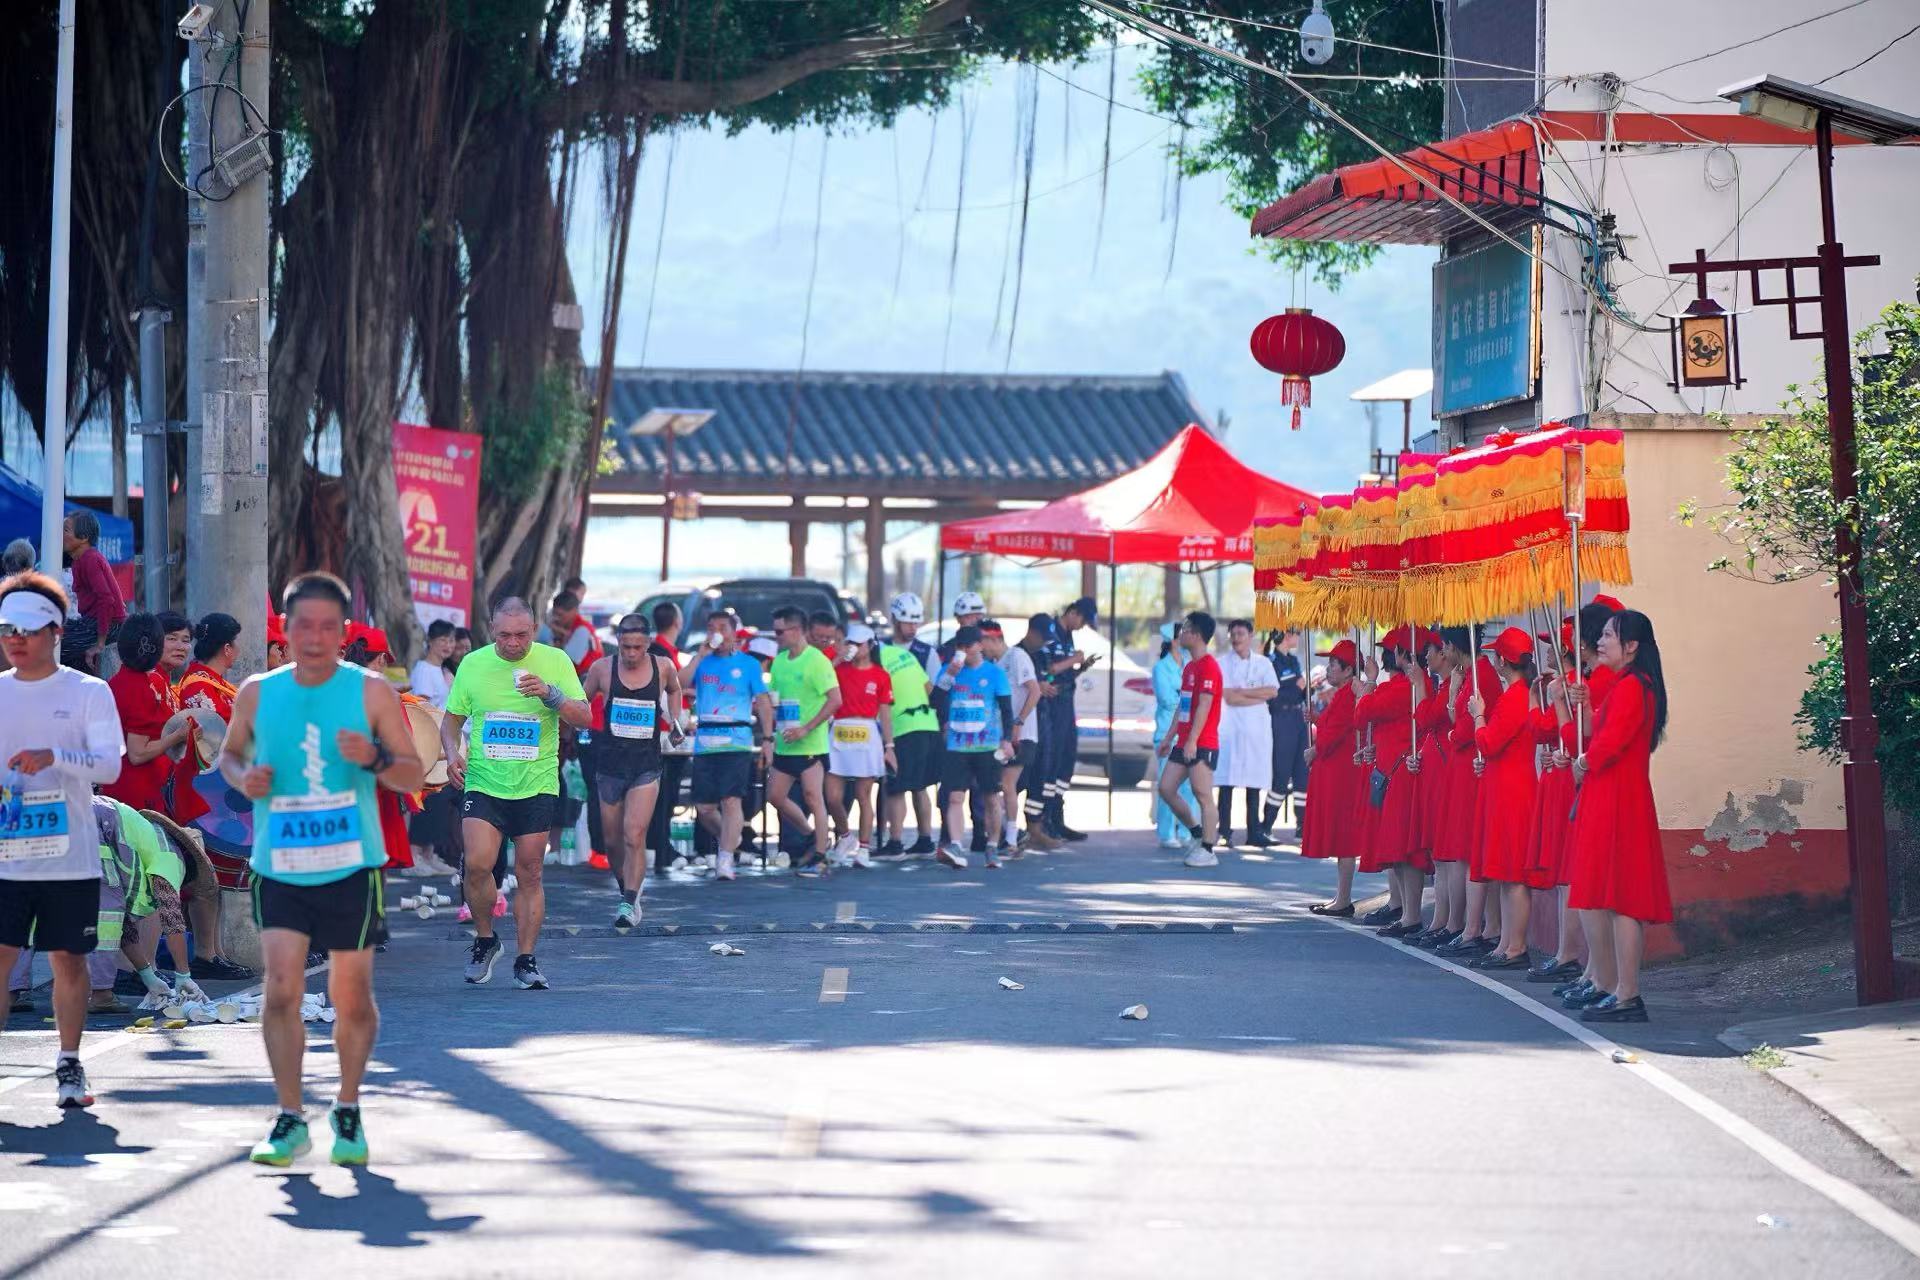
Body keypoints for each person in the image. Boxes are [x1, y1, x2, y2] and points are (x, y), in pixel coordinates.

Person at [221, 572, 425, 1166]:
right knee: (282, 986)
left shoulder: (372, 693)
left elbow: (414, 775)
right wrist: (244, 777)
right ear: (284, 629)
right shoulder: (258, 691)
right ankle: (289, 1117)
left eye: (327, 627)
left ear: (343, 632)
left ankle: (348, 1106)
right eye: (303, 626)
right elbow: (229, 757)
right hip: (280, 863)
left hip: (351, 865)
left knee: (350, 995)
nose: (315, 638)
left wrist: (377, 758)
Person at [0, 573, 125, 1109]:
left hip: (69, 859)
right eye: (7, 627)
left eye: (27, 628)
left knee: (68, 963)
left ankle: (70, 1063)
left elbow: (110, 767)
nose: (15, 638)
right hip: (7, 858)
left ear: (56, 630)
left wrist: (55, 757)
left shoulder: (88, 692)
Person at [441, 596, 591, 990]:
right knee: (477, 864)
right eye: (504, 635)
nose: (512, 643)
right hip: (484, 780)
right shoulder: (473, 664)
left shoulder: (555, 661)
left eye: (521, 635)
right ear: (492, 629)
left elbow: (585, 717)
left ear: (535, 628)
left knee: (530, 871)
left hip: (535, 783)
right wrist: (452, 754)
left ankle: (526, 959)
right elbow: (450, 722)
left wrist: (551, 694)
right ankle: (486, 939)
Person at [1564, 609, 1670, 1023]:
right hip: (1614, 796)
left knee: (1623, 898)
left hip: (1618, 799)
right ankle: (1617, 989)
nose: (1600, 641)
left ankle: (1627, 993)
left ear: (1631, 646)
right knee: (1611, 897)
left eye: (1609, 635)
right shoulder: (1629, 685)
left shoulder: (1632, 687)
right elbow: (1602, 732)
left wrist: (1582, 762)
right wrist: (1587, 704)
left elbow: (1608, 746)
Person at [580, 614, 679, 925]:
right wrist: (570, 725)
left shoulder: (663, 667)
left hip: (646, 765)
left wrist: (675, 720)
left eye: (637, 647)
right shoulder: (602, 669)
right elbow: (580, 703)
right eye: (626, 647)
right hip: (610, 764)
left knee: (634, 834)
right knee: (612, 841)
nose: (632, 653)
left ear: (648, 643)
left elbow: (675, 690)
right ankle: (627, 890)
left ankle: (629, 900)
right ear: (618, 643)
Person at [1464, 626, 1540, 971]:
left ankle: (1515, 946)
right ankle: (1507, 944)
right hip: (1509, 786)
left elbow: (1489, 742)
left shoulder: (1514, 697)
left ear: (1502, 661)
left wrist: (1478, 715)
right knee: (1508, 876)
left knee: (1514, 875)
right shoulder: (1520, 695)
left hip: (1512, 792)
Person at [1356, 629, 1432, 938]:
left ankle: (1411, 915)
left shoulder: (1403, 688)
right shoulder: (1411, 686)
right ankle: (1405, 912)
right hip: (1393, 770)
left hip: (1401, 772)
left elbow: (1361, 713)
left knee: (1405, 850)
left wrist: (1369, 682)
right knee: (1397, 849)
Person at [686, 613, 773, 879]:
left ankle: (725, 858)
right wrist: (698, 656)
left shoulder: (748, 664)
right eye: (711, 627)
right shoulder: (702, 661)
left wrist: (768, 739)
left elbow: (763, 701)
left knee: (731, 799)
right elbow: (677, 683)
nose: (717, 633)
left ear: (734, 633)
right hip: (705, 741)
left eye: (723, 628)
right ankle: (732, 840)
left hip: (737, 739)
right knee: (704, 808)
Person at [1434, 630, 1500, 958]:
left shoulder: (1481, 675)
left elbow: (1462, 731)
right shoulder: (1469, 674)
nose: (1444, 652)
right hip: (1461, 765)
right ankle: (1475, 926)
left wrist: (1453, 729)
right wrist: (1453, 694)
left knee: (1469, 849)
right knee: (1463, 848)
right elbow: (1455, 721)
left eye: (1445, 645)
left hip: (1471, 764)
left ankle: (1475, 927)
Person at [767, 605, 840, 872]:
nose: (776, 637)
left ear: (796, 630)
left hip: (810, 744)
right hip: (785, 742)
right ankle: (812, 835)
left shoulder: (817, 661)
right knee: (775, 796)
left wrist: (806, 728)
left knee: (813, 797)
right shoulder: (779, 661)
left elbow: (835, 700)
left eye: (780, 632)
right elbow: (775, 697)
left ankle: (820, 856)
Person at [933, 625, 1013, 869]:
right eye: (960, 646)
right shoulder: (948, 670)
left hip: (987, 745)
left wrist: (1007, 739)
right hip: (957, 745)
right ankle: (956, 845)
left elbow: (1006, 709)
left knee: (991, 797)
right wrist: (949, 675)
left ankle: (992, 846)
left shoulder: (994, 673)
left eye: (968, 646)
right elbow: (934, 702)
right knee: (955, 796)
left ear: (979, 646)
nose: (964, 651)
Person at [101, 614, 188, 815]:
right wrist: (177, 736)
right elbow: (138, 753)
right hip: (139, 793)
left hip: (120, 783)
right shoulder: (141, 688)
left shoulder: (118, 681)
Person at [1300, 639, 1363, 915]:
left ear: (1348, 670)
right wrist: (1316, 718)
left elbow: (1336, 733)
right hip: (1336, 772)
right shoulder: (1342, 694)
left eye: (1334, 664)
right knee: (1341, 838)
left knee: (1344, 837)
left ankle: (1344, 898)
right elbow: (1332, 726)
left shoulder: (1349, 695)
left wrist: (1314, 750)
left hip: (1342, 774)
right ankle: (1341, 896)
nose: (1328, 669)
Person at [1156, 611, 1223, 868]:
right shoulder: (1190, 667)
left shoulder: (1209, 666)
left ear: (1196, 635)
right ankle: (1197, 832)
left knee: (1202, 794)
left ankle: (1208, 849)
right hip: (1183, 740)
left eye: (1184, 630)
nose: (1181, 634)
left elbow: (1205, 706)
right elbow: (1183, 707)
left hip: (1202, 742)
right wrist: (1169, 738)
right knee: (1166, 788)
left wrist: (1193, 740)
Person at [877, 592, 940, 857]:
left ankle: (902, 841)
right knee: (902, 785)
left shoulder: (926, 652)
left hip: (907, 725)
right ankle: (913, 840)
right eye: (907, 622)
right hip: (894, 725)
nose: (913, 628)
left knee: (905, 786)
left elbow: (934, 690)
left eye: (916, 622)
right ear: (894, 620)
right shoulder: (879, 648)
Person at [826, 623, 893, 866]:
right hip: (839, 732)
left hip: (867, 733)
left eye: (859, 644)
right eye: (850, 643)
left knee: (863, 794)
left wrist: (889, 746)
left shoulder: (881, 675)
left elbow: (885, 713)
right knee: (832, 796)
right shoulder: (837, 669)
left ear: (870, 645)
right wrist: (837, 659)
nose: (854, 647)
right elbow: (821, 680)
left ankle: (864, 847)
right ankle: (845, 836)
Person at [1214, 619, 1279, 847]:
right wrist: (1256, 695)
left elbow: (1272, 691)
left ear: (1251, 635)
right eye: (1232, 634)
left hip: (1255, 730)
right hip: (1231, 729)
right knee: (1227, 783)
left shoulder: (1263, 663)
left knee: (1254, 782)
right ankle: (1224, 831)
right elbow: (1229, 697)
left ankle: (1254, 832)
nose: (1236, 638)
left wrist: (1242, 692)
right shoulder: (1222, 663)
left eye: (1240, 633)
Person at [984, 620, 1046, 853]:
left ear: (993, 639)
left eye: (982, 642)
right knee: (995, 786)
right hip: (1000, 736)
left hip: (1022, 735)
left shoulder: (1017, 657)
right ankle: (1008, 834)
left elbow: (1035, 690)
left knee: (1008, 783)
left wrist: (1019, 721)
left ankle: (1010, 837)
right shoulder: (992, 665)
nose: (980, 648)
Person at [1043, 598, 1097, 842]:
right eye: (1083, 620)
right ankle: (1044, 819)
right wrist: (1073, 659)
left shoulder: (1068, 636)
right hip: (1052, 705)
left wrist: (1081, 667)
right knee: (1052, 760)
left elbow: (1064, 672)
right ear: (1073, 612)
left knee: (1067, 757)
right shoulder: (1050, 632)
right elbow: (1050, 670)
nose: (1082, 626)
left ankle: (1057, 817)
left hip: (1066, 702)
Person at [644, 601, 690, 878]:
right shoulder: (661, 654)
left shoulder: (665, 651)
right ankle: (660, 848)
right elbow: (669, 689)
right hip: (662, 734)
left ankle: (659, 847)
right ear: (677, 622)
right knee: (663, 796)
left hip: (666, 730)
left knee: (665, 796)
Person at [1261, 629, 1310, 843]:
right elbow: (1274, 696)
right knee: (1281, 776)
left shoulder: (1293, 660)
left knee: (1302, 774)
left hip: (1298, 719)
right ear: (1286, 635)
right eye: (1296, 633)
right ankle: (1266, 825)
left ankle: (1302, 826)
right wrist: (1297, 687)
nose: (1298, 637)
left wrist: (1306, 688)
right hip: (1281, 720)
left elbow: (1301, 692)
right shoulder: (1271, 662)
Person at [62, 511, 126, 675]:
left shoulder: (90, 559)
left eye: (66, 530)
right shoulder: (79, 560)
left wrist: (100, 643)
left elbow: (106, 599)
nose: (60, 535)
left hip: (108, 626)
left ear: (84, 537)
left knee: (53, 644)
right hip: (92, 623)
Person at [1150, 624, 1194, 850]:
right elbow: (1167, 700)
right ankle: (1166, 833)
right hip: (1167, 733)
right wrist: (1187, 698)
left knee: (1189, 788)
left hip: (1187, 734)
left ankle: (1187, 831)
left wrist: (1183, 696)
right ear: (1174, 640)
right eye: (1183, 634)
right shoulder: (1160, 668)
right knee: (1167, 787)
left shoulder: (1189, 664)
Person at [549, 590, 603, 679]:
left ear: (574, 611)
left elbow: (567, 663)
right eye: (554, 614)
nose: (556, 618)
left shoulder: (582, 630)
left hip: (586, 679)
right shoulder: (564, 627)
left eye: (560, 615)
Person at [409, 620, 455, 709]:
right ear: (430, 641)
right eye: (443, 640)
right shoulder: (424, 670)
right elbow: (422, 708)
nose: (448, 645)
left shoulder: (442, 669)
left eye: (451, 640)